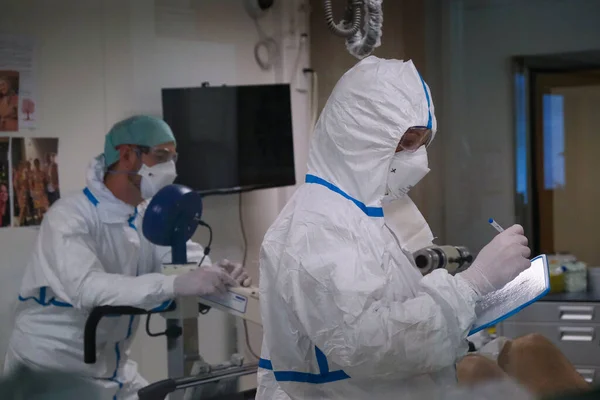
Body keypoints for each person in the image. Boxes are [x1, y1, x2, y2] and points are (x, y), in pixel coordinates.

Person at [256, 56, 533, 399]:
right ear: (360, 135)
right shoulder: (318, 225)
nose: (420, 158)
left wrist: (472, 299)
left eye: (423, 142)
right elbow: (368, 345)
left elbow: (396, 309)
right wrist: (472, 286)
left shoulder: (370, 212)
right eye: (408, 141)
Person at [4, 115, 252, 400]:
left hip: (112, 368)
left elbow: (177, 263)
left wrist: (216, 273)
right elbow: (87, 288)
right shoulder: (69, 216)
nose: (169, 169)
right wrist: (175, 285)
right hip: (50, 369)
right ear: (125, 155)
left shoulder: (146, 214)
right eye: (160, 156)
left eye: (173, 158)